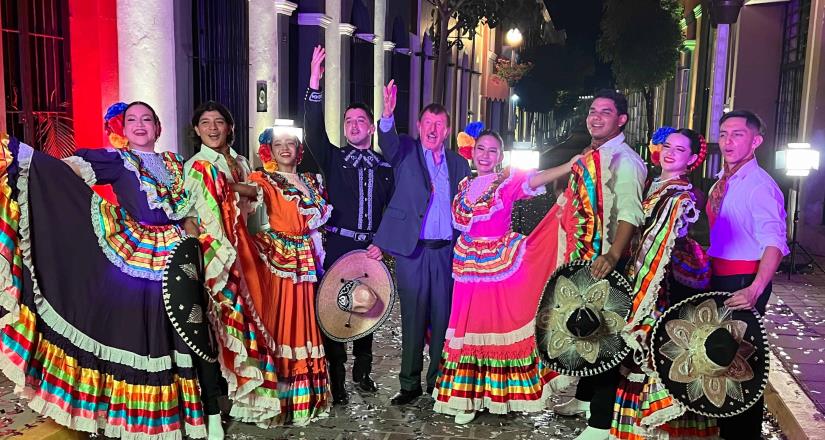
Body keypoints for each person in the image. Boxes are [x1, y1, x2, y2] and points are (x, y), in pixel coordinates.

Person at [0, 102, 223, 439]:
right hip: (138, 255)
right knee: (144, 331)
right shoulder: (117, 160)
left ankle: (210, 411)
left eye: (147, 119)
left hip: (182, 251)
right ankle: (152, 414)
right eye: (131, 119)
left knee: (193, 328)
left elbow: (197, 205)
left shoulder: (177, 163)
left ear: (158, 128)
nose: (139, 125)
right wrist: (26, 160)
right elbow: (65, 172)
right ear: (122, 128)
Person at [433, 130, 580, 424]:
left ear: (500, 157)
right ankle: (467, 397)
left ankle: (496, 393)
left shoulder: (507, 181)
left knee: (493, 322)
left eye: (492, 151)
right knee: (466, 324)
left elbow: (537, 178)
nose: (485, 155)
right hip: (466, 264)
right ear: (472, 152)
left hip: (498, 262)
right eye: (481, 149)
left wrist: (570, 165)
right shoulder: (464, 185)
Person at [609, 127, 718, 439]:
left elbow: (673, 244)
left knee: (658, 356)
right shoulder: (651, 185)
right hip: (639, 279)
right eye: (668, 146)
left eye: (680, 150)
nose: (670, 153)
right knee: (635, 361)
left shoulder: (684, 196)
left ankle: (661, 430)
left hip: (662, 289)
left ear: (693, 159)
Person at [552, 89, 647, 440]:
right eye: (592, 111)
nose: (596, 117)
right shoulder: (593, 156)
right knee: (586, 331)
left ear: (621, 119)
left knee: (605, 339)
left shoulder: (624, 160)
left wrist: (612, 255)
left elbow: (630, 213)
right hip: (587, 259)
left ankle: (601, 423)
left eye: (605, 112)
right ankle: (586, 399)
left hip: (609, 263)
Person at [303, 46, 394, 405]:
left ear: (371, 127)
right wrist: (314, 83)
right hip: (339, 246)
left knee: (367, 306)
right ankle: (337, 377)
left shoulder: (385, 166)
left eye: (360, 121)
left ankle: (363, 372)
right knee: (335, 309)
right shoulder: (334, 157)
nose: (354, 125)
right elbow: (312, 131)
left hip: (371, 248)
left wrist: (383, 242)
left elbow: (392, 209)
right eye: (349, 122)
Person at [373, 81, 472, 405]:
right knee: (413, 318)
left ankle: (438, 383)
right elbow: (386, 141)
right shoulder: (404, 151)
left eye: (438, 125)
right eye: (427, 124)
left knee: (443, 319)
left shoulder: (458, 164)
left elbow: (467, 204)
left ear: (446, 130)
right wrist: (387, 114)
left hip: (446, 253)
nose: (432, 129)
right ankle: (409, 383)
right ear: (418, 126)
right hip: (413, 253)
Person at [183, 101, 282, 425]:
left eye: (219, 122)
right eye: (206, 123)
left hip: (248, 251)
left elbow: (258, 196)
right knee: (230, 325)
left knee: (258, 321)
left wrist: (242, 188)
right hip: (218, 256)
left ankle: (253, 401)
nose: (213, 128)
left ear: (229, 127)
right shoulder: (198, 166)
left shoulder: (239, 161)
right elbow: (190, 217)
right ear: (196, 129)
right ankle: (233, 397)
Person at [231, 122, 332, 425]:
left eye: (290, 143)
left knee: (303, 323)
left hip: (305, 258)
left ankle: (300, 402)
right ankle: (274, 402)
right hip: (279, 258)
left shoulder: (312, 182)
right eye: (278, 145)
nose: (285, 148)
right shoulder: (265, 179)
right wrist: (223, 183)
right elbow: (248, 192)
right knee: (280, 324)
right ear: (270, 151)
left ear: (299, 151)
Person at [708, 110, 788, 439]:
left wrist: (755, 288)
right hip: (721, 276)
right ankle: (726, 428)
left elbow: (775, 243)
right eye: (724, 133)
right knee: (722, 359)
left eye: (738, 134)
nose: (728, 141)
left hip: (743, 281)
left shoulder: (759, 186)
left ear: (755, 141)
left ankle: (743, 433)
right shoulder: (725, 178)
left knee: (742, 363)